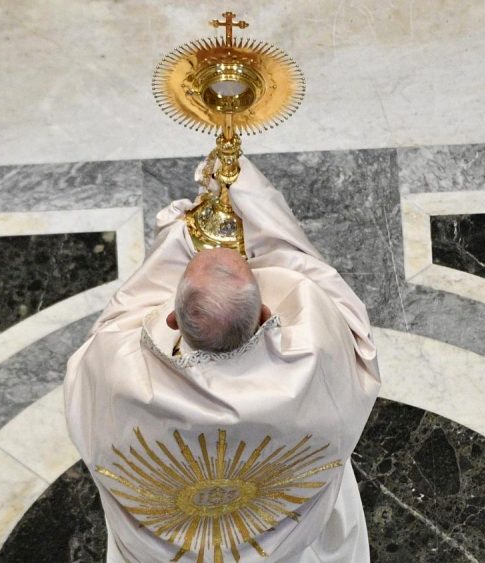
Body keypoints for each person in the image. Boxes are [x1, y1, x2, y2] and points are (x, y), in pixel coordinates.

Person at [64, 156, 381, 562]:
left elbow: (124, 309)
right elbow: (313, 273)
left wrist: (178, 235)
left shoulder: (119, 371)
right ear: (266, 314)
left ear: (173, 318)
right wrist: (251, 191)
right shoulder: (314, 358)